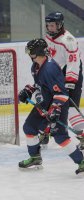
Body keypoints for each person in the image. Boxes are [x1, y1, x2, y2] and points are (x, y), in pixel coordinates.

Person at [18, 38, 84, 174]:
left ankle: (81, 161)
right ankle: (35, 157)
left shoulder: (50, 68)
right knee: (29, 128)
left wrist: (55, 110)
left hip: (58, 105)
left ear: (37, 52)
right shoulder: (36, 66)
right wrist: (28, 91)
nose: (29, 55)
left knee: (60, 136)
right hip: (44, 104)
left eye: (30, 52)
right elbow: (39, 85)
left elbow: (62, 93)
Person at [42, 11, 84, 149]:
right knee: (49, 104)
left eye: (52, 25)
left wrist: (70, 82)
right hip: (56, 75)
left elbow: (74, 62)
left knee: (71, 108)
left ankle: (83, 135)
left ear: (60, 25)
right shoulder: (48, 37)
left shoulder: (68, 40)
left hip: (71, 76)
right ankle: (46, 131)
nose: (49, 28)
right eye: (48, 25)